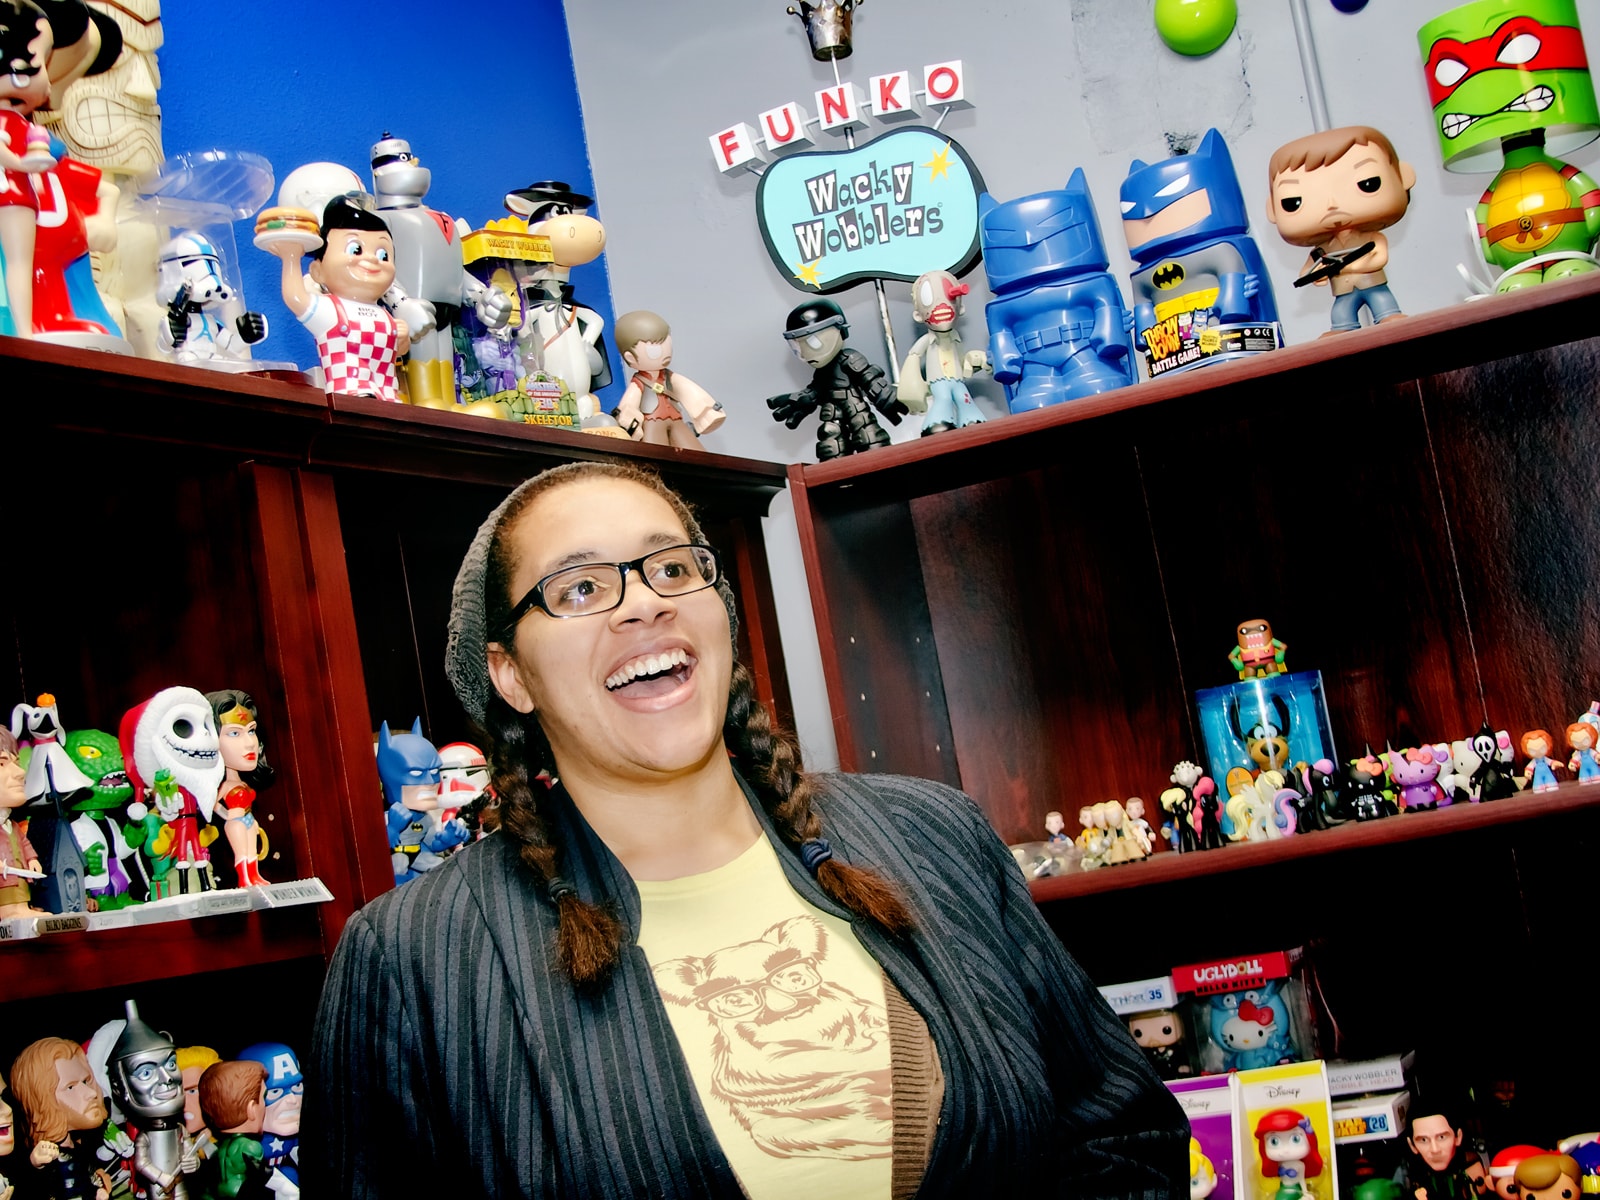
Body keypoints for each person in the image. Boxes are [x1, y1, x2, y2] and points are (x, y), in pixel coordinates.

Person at [308, 459, 1188, 1197]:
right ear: (511, 676)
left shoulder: (933, 837)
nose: (643, 604)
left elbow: (1121, 1136)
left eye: (673, 569)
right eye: (580, 586)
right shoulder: (417, 960)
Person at [1266, 125, 1415, 334]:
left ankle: (1388, 315)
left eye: (1368, 183)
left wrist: (1344, 267)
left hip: (1372, 284)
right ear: (1271, 209)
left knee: (1383, 302)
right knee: (1342, 312)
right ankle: (1342, 328)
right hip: (1343, 291)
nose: (1331, 204)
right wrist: (1317, 274)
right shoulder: (1324, 249)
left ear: (1404, 176)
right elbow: (1308, 269)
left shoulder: (1372, 238)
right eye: (1293, 201)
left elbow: (1379, 258)